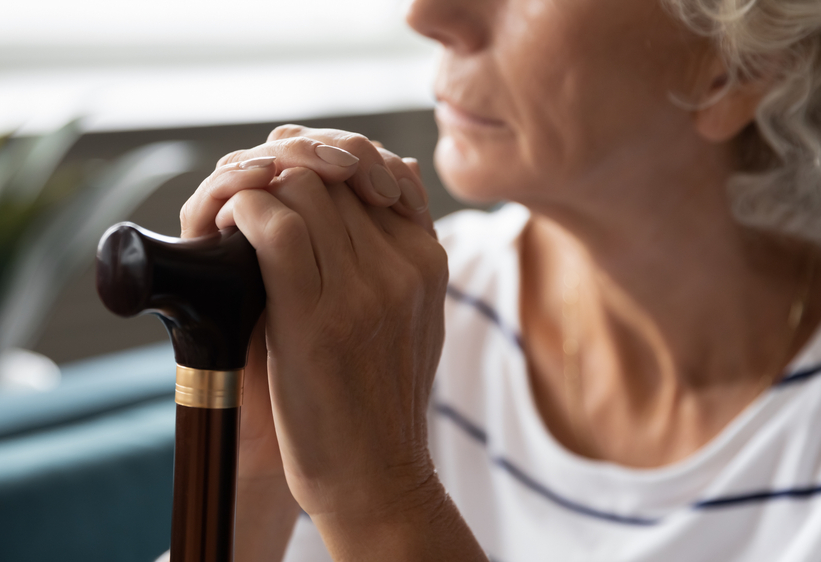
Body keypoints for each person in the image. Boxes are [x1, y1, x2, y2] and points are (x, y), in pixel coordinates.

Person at [166, 0, 821, 560]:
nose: (427, 15)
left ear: (736, 69)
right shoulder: (379, 319)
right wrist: (247, 467)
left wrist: (381, 498)